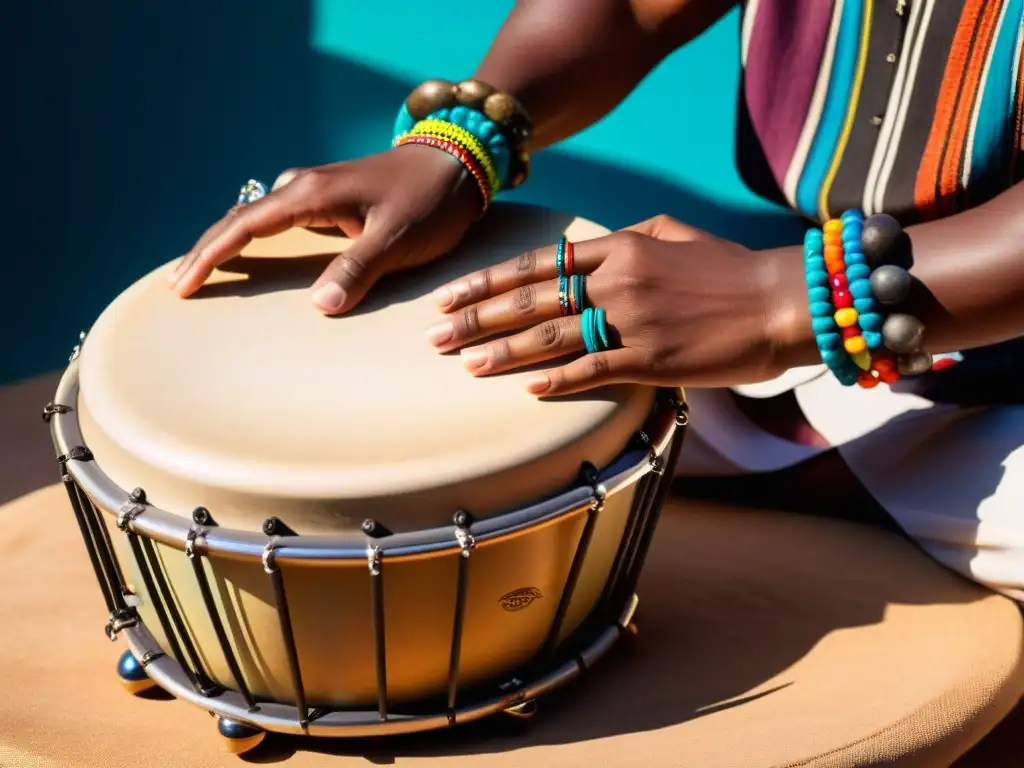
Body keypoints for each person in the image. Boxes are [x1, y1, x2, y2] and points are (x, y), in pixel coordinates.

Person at [169, 0, 1024, 600]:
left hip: (950, 371)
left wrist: (775, 302)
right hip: (821, 318)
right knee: (422, 418)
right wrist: (460, 143)